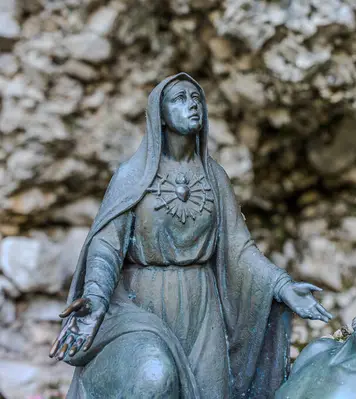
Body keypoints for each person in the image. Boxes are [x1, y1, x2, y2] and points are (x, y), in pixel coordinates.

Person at [49, 72, 333, 399]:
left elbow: (240, 250)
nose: (192, 105)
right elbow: (107, 245)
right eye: (180, 99)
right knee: (154, 378)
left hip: (202, 306)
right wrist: (96, 297)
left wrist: (283, 286)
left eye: (196, 98)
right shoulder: (133, 175)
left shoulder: (215, 177)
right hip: (144, 304)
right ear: (161, 116)